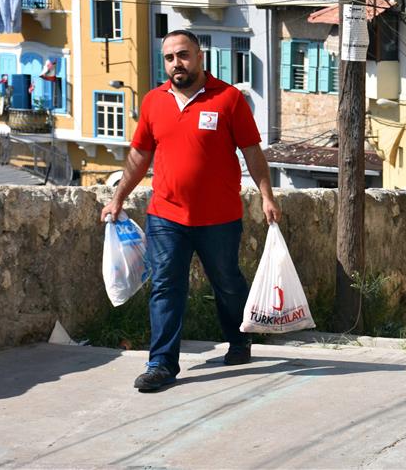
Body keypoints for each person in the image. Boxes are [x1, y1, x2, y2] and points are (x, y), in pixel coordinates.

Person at [100, 29, 281, 392]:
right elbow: (139, 156)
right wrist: (118, 198)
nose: (175, 64)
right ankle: (162, 364)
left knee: (228, 283)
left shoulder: (228, 99)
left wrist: (267, 195)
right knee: (166, 287)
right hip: (166, 216)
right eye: (168, 58)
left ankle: (240, 339)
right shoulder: (154, 101)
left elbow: (252, 152)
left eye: (182, 55)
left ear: (200, 57)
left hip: (220, 218)